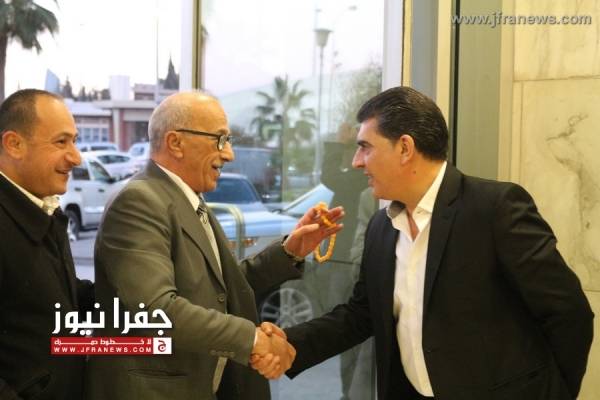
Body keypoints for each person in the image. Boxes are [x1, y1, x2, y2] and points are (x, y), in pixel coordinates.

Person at [253, 86, 594, 400]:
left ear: (405, 148)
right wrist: (291, 345)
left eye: (365, 147)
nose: (356, 162)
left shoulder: (495, 208)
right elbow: (362, 314)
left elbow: (569, 313)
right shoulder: (381, 227)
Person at [84, 91, 343, 400]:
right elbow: (156, 310)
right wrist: (254, 340)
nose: (229, 154)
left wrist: (290, 251)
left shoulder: (186, 198)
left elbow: (221, 289)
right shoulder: (139, 201)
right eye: (220, 140)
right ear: (175, 142)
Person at [0, 89, 94, 399]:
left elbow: (56, 300)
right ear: (14, 144)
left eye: (74, 141)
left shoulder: (45, 208)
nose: (76, 157)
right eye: (61, 142)